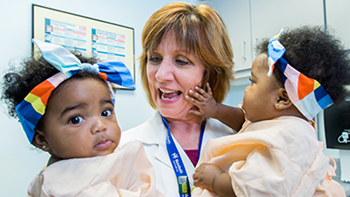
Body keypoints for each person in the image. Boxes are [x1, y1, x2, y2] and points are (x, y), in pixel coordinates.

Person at [187, 26, 350, 196]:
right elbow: (244, 121)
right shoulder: (275, 120)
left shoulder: (292, 137)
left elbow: (260, 190)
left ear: (281, 99)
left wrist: (216, 179)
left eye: (253, 81)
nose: (246, 90)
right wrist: (215, 110)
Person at [1, 39, 163, 197]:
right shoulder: (65, 184)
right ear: (41, 139)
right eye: (76, 119)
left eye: (106, 112)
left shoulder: (101, 161)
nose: (100, 125)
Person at [118, 2, 245, 196]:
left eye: (181, 61)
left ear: (210, 74)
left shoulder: (241, 141)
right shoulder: (122, 149)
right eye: (155, 58)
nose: (161, 75)